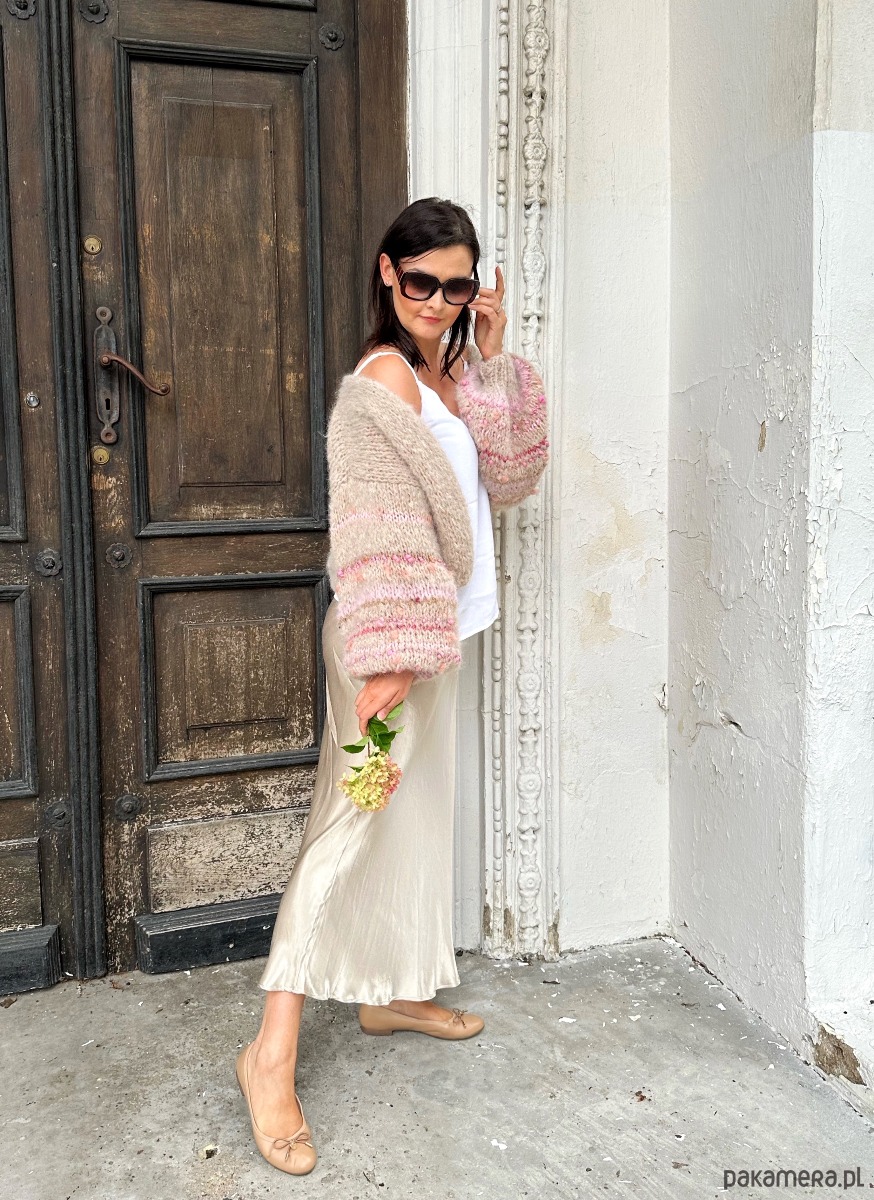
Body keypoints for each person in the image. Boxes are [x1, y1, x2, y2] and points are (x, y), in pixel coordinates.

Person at [234, 198, 549, 1176]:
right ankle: (269, 1054)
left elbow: (512, 479)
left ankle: (392, 991)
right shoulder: (381, 381)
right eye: (422, 282)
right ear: (387, 273)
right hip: (388, 644)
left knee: (412, 819)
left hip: (433, 638)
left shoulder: (447, 374)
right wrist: (391, 659)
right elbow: (373, 529)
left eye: (457, 285)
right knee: (350, 824)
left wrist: (490, 358)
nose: (438, 300)